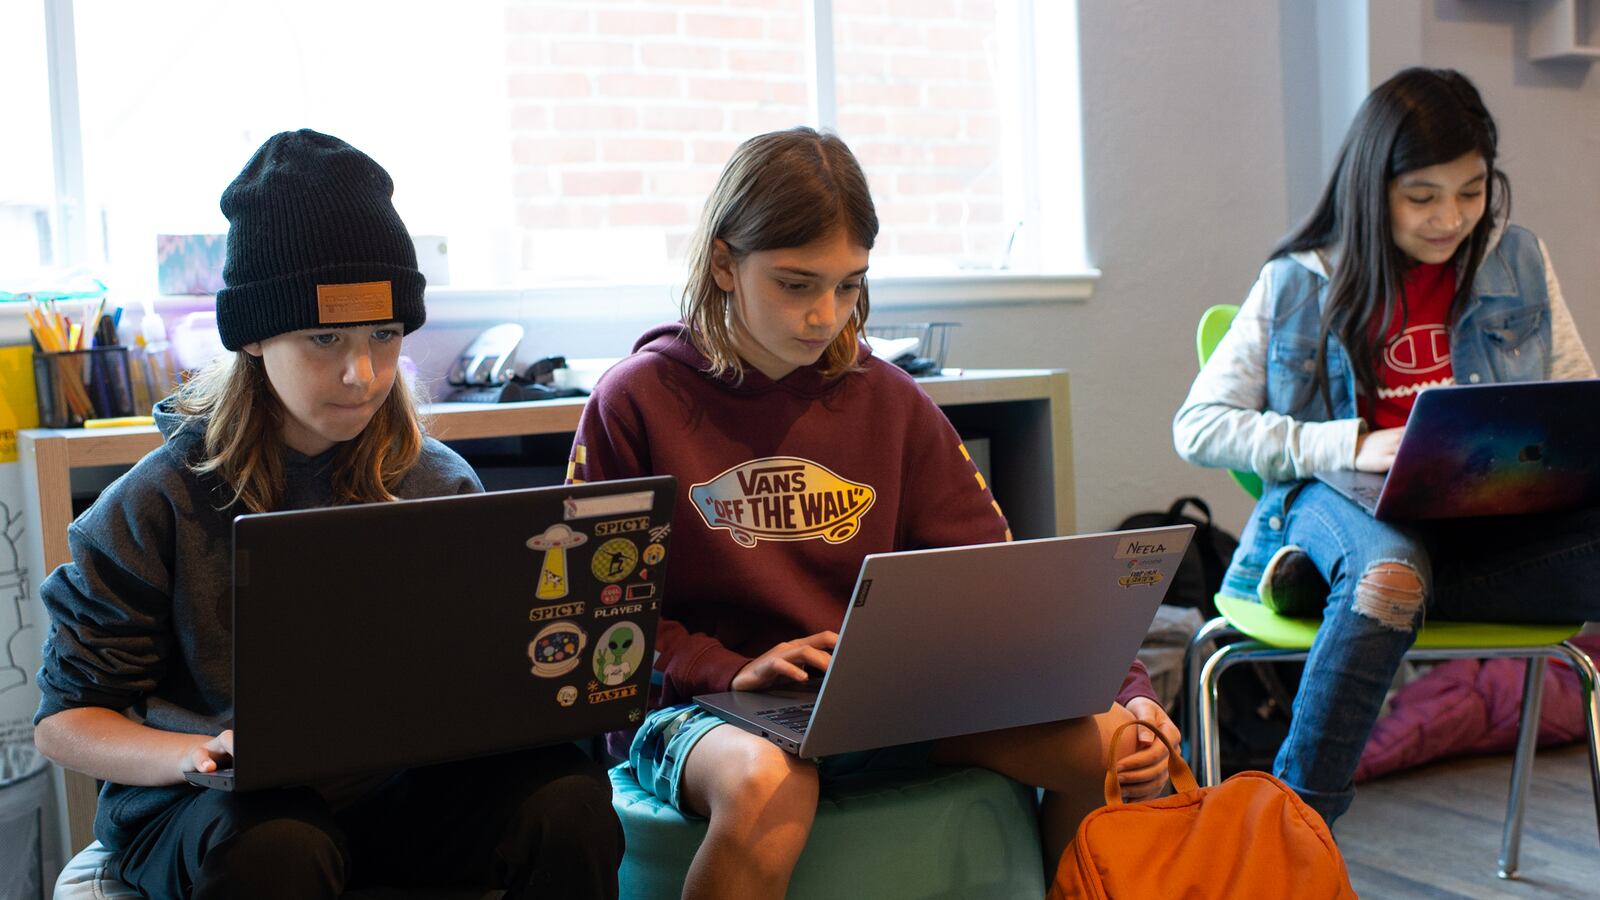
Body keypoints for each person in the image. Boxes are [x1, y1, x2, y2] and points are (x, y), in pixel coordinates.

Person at [568, 126, 1180, 899]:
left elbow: (1008, 584)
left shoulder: (889, 400)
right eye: (796, 284)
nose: (826, 315)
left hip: (884, 702)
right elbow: (601, 629)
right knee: (769, 787)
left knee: (1120, 748)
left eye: (849, 284)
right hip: (702, 712)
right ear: (724, 262)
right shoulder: (635, 401)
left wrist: (1128, 692)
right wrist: (729, 669)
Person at [33, 130, 623, 900]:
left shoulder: (439, 483)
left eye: (384, 336)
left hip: (400, 792)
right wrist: (193, 754)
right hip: (216, 805)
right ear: (252, 337)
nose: (364, 373)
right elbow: (65, 720)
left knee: (567, 797)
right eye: (325, 338)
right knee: (276, 846)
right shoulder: (154, 503)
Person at [1174, 67, 1600, 826]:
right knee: (1389, 576)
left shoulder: (1520, 264)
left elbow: (1577, 404)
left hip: (1485, 535)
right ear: (1373, 190)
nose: (1452, 219)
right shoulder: (1297, 283)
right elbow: (1200, 424)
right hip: (1343, 511)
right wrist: (1351, 442)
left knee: (1403, 577)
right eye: (1422, 197)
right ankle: (1288, 839)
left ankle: (1331, 593)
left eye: (1472, 192)